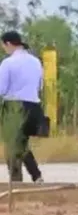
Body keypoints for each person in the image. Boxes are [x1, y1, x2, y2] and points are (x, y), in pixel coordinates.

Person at [0, 31, 44, 183]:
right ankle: (36, 176)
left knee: (13, 146)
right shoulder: (36, 61)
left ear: (8, 44)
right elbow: (40, 86)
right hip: (33, 106)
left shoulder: (8, 63)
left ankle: (16, 181)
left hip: (14, 106)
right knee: (21, 143)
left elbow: (1, 89)